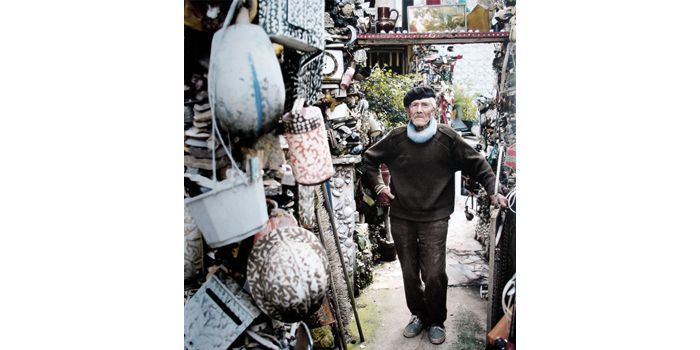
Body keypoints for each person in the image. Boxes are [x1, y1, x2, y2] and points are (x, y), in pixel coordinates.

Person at [361, 86, 507, 345]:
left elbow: (478, 164)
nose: (419, 110)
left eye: (424, 105)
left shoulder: (447, 138)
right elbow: (369, 160)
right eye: (414, 106)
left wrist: (494, 190)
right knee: (409, 271)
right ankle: (418, 315)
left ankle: (436, 320)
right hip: (402, 216)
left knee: (434, 273)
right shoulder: (396, 138)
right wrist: (379, 186)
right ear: (407, 110)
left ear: (434, 108)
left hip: (435, 217)